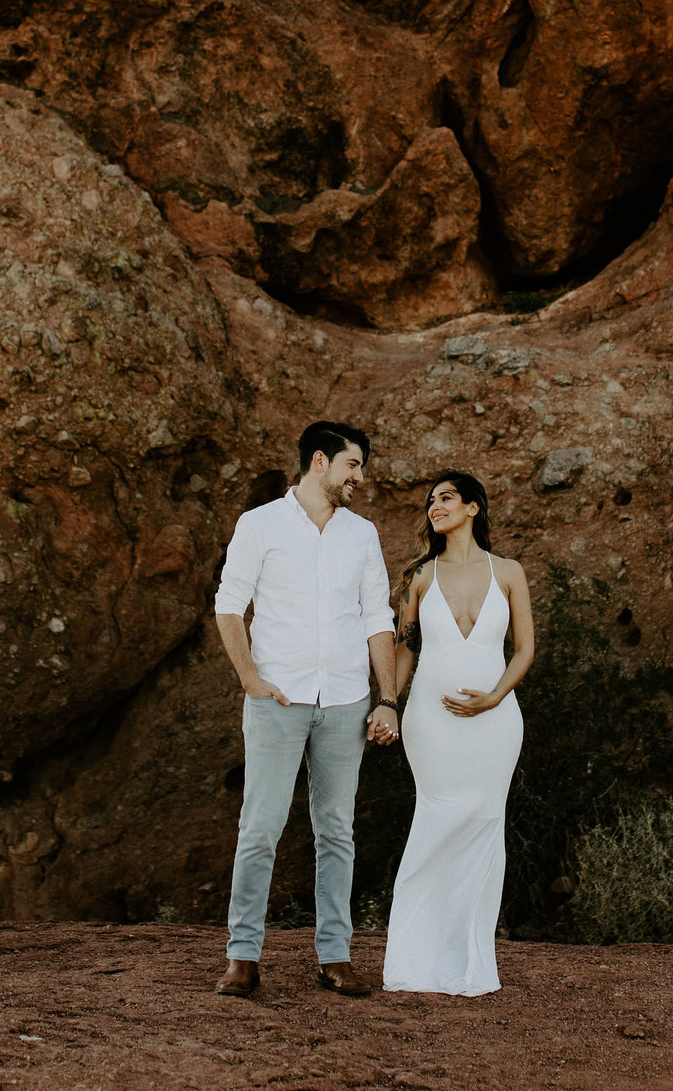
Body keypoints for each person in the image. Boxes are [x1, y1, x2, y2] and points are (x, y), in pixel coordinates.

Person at [211, 421, 403, 998]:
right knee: (260, 830)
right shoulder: (260, 523)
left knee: (337, 831)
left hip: (346, 701)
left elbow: (378, 620)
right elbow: (228, 607)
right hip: (279, 700)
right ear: (320, 461)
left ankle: (334, 955)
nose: (359, 479)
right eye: (353, 466)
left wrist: (387, 699)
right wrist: (251, 680)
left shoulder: (361, 534)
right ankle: (242, 956)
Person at [380, 470, 534, 996]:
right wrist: (388, 705)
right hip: (431, 719)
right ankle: (413, 958)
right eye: (430, 501)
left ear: (473, 507)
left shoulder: (509, 571)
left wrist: (495, 696)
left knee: (486, 822)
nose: (435, 506)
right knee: (436, 818)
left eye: (447, 498)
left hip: (496, 720)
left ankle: (470, 959)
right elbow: (403, 648)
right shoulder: (420, 577)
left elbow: (525, 651)